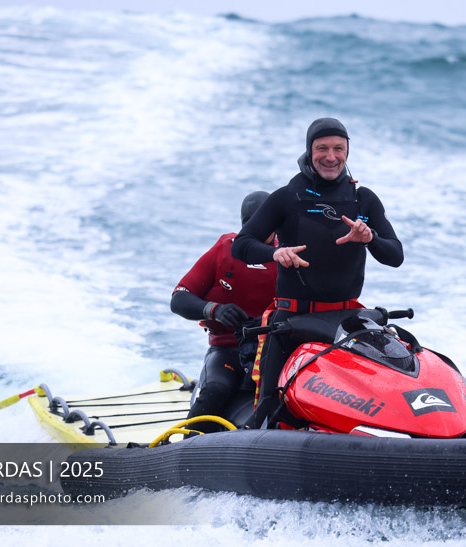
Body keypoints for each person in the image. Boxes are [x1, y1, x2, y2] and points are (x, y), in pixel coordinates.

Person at [232, 117, 404, 427]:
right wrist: (274, 252)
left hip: (347, 319)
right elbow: (241, 245)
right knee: (268, 408)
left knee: (389, 385)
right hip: (292, 319)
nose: (331, 156)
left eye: (339, 148)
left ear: (347, 152)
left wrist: (371, 238)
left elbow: (395, 256)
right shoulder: (287, 197)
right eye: (322, 147)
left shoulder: (362, 199)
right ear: (309, 152)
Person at [171, 191, 277, 429]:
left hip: (272, 352)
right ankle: (186, 445)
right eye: (250, 225)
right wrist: (214, 310)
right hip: (227, 351)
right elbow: (179, 299)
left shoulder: (288, 256)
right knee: (218, 388)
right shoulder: (223, 250)